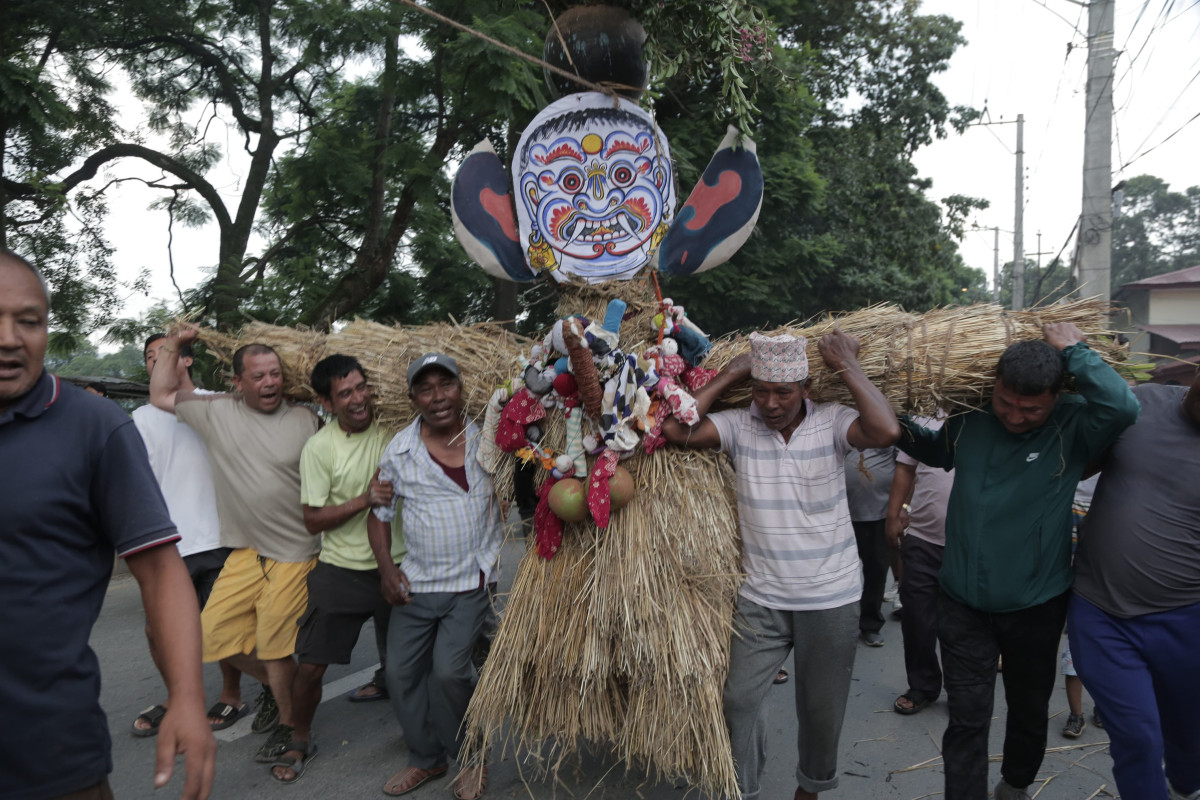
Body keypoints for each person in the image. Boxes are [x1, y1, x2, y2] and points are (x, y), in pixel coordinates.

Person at [0, 248, 215, 800]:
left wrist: (187, 698)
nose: (9, 338)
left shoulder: (96, 429)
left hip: (50, 751)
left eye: (29, 321)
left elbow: (160, 573)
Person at [897, 324, 1139, 800]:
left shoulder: (1073, 424)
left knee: (1028, 708)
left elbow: (1123, 405)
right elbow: (928, 447)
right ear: (994, 389)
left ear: (1055, 397)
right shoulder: (970, 420)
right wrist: (880, 404)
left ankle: (1016, 784)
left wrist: (1074, 351)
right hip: (962, 601)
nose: (1014, 416)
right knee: (967, 715)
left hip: (1037, 604)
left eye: (1031, 409)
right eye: (1006, 403)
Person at [662, 330, 900, 800]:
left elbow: (886, 431)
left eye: (783, 392)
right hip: (761, 598)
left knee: (820, 710)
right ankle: (744, 789)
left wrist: (848, 366)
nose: (770, 404)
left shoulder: (833, 422)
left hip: (831, 596)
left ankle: (809, 790)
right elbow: (676, 430)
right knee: (739, 701)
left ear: (806, 389)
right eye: (761, 390)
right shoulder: (737, 425)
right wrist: (731, 373)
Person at [149, 323, 321, 764]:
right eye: (259, 376)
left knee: (275, 643)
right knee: (211, 635)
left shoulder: (305, 418)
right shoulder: (214, 410)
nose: (269, 383)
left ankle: (290, 728)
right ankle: (294, 688)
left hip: (297, 551)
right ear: (237, 382)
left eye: (275, 374)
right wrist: (174, 343)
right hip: (246, 552)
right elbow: (160, 394)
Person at [370, 353, 503, 800]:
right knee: (401, 675)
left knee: (449, 673)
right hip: (418, 584)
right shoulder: (400, 451)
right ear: (413, 398)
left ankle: (471, 757)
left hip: (472, 582)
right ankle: (426, 759)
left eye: (445, 384)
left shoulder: (491, 438)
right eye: (425, 388)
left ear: (460, 388)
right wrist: (387, 569)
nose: (438, 396)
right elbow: (380, 512)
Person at [268, 354, 406, 783]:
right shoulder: (320, 448)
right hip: (342, 570)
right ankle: (299, 737)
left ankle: (421, 726)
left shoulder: (394, 429)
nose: (358, 398)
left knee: (409, 664)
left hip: (400, 562)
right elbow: (313, 519)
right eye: (345, 393)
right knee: (310, 666)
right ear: (327, 403)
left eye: (362, 387)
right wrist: (364, 499)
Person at [1068, 369, 1200, 800]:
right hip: (1100, 612)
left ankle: (1186, 778)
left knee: (1189, 732)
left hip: (1187, 617)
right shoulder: (1140, 403)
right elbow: (1075, 464)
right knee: (1139, 738)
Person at [131, 333, 250, 736]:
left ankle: (232, 694)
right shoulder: (139, 419)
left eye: (163, 354)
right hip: (167, 545)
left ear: (185, 360)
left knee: (222, 626)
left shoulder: (217, 403)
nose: (156, 362)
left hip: (218, 535)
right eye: (150, 357)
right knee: (156, 629)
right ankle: (179, 697)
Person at [885, 414, 954, 715]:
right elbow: (905, 467)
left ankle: (961, 687)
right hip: (923, 539)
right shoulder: (925, 420)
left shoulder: (987, 418)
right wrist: (894, 514)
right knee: (916, 617)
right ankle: (923, 685)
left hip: (969, 546)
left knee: (961, 624)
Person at [844, 446, 897, 647]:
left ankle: (870, 625)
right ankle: (837, 624)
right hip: (842, 513)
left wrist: (901, 509)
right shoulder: (840, 419)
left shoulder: (890, 427)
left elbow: (907, 468)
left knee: (876, 571)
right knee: (839, 572)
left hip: (878, 514)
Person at [1060, 473, 1099, 739]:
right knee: (1074, 658)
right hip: (1072, 501)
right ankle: (1076, 714)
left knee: (1108, 663)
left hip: (1106, 602)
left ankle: (1103, 707)